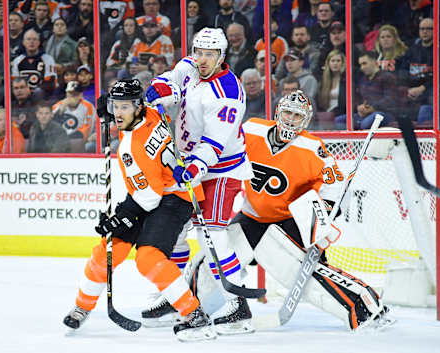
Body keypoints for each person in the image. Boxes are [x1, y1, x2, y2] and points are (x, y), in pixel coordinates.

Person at [62, 79, 215, 342]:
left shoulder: (132, 149)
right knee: (106, 251)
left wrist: (119, 218)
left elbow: (148, 198)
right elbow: (145, 192)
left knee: (148, 259)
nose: (118, 113)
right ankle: (82, 306)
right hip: (155, 188)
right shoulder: (152, 112)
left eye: (123, 108)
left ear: (137, 106)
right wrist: (109, 109)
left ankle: (194, 313)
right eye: (115, 107)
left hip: (173, 197)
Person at [231, 89, 392, 331]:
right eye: (287, 113)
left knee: (298, 273)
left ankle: (366, 307)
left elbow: (334, 185)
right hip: (251, 216)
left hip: (287, 222)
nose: (290, 120)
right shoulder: (252, 129)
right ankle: (199, 307)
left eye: (297, 116)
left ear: (305, 120)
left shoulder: (312, 148)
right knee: (218, 258)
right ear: (277, 112)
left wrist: (322, 215)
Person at [144, 27, 254, 334]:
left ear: (222, 56)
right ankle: (175, 295)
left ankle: (237, 304)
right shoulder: (191, 65)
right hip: (188, 166)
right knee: (176, 233)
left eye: (209, 54)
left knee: (213, 235)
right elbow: (172, 77)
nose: (202, 60)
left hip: (220, 172)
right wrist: (160, 88)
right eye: (199, 53)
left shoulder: (228, 94)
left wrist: (192, 170)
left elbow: (213, 146)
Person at [335, 50, 396, 130]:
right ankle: (351, 142)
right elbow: (358, 97)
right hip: (365, 114)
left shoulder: (387, 77)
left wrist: (372, 108)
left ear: (374, 61)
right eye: (360, 65)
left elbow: (390, 99)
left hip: (383, 113)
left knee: (366, 123)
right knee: (339, 120)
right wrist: (359, 107)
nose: (362, 68)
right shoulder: (363, 79)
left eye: (364, 63)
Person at [11, 28, 57, 98]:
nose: (31, 42)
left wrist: (32, 92)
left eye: (34, 39)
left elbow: (50, 83)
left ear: (39, 42)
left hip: (42, 97)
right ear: (23, 42)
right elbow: (15, 82)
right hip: (23, 96)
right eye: (28, 39)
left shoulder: (48, 59)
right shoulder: (17, 61)